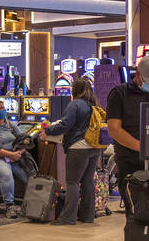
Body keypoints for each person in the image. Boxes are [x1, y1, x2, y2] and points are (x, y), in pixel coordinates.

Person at [106, 55, 149, 217]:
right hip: (130, 162)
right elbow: (114, 129)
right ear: (138, 75)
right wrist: (143, 148)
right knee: (136, 214)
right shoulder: (119, 94)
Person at [42, 78, 104, 225]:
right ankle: (87, 216)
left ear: (75, 90)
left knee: (72, 182)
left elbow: (65, 124)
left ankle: (68, 217)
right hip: (94, 148)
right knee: (87, 181)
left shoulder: (75, 104)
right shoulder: (94, 104)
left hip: (78, 147)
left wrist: (48, 130)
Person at [0, 99, 25, 218]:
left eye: (4, 108)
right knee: (6, 175)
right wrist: (11, 155)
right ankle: (9, 205)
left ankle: (31, 204)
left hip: (13, 157)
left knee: (28, 177)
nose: (5, 111)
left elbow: (25, 141)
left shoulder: (10, 124)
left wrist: (19, 153)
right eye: (2, 109)